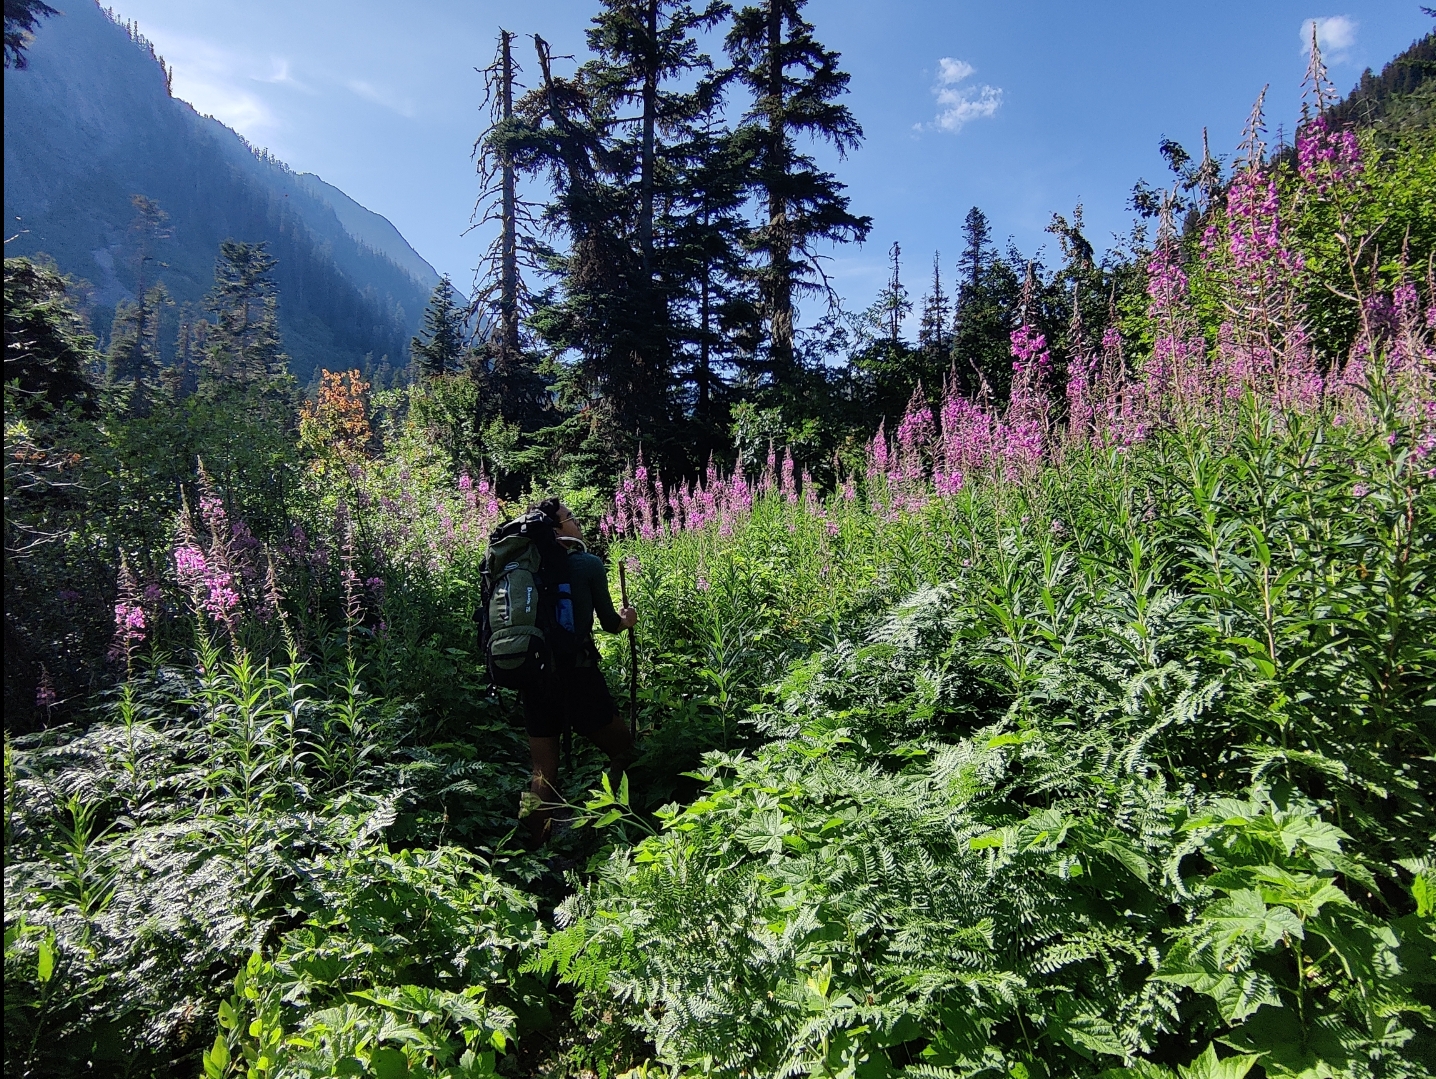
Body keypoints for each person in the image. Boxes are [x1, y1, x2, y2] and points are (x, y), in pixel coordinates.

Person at [521, 497, 637, 844]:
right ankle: (608, 830)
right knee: (625, 751)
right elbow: (609, 622)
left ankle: (531, 847)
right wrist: (626, 620)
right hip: (579, 674)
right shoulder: (586, 564)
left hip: (534, 677)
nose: (576, 522)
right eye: (570, 518)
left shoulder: (524, 568)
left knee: (543, 772)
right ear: (558, 529)